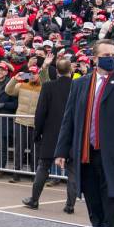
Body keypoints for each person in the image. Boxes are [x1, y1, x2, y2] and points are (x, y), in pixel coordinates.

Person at [54, 39, 114, 227]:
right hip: (87, 157)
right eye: (106, 56)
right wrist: (61, 151)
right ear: (95, 58)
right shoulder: (80, 84)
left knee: (113, 212)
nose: (111, 59)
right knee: (94, 210)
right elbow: (69, 119)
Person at [22, 59, 77, 214]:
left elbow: (40, 112)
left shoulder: (48, 87)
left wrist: (37, 133)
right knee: (72, 169)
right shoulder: (77, 86)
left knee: (43, 166)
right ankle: (70, 205)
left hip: (50, 134)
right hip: (71, 134)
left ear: (57, 72)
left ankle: (34, 200)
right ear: (70, 71)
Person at [4, 65, 43, 183]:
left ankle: (34, 174)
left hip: (35, 123)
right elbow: (8, 90)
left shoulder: (43, 87)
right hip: (21, 121)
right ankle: (16, 173)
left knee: (35, 150)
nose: (31, 76)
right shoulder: (21, 85)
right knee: (18, 149)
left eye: (34, 73)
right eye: (29, 73)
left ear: (39, 75)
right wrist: (15, 78)